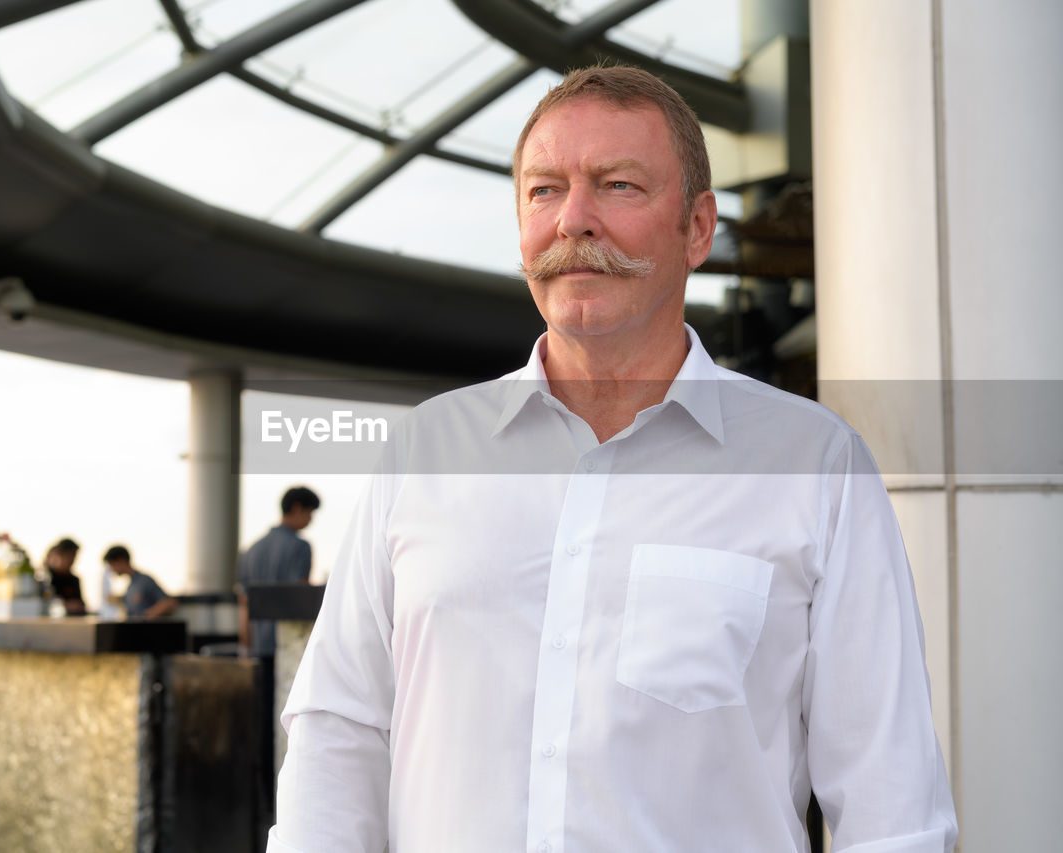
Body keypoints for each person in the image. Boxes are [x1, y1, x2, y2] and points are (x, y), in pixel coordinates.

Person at [269, 66, 958, 853]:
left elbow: (891, 805)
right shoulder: (425, 452)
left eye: (619, 185)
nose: (575, 221)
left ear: (697, 228)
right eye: (544, 190)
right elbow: (340, 731)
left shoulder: (815, 465)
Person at [237, 486, 321, 657]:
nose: (311, 520)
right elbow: (301, 593)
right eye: (310, 513)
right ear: (297, 508)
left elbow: (244, 602)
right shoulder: (300, 546)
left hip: (257, 644)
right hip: (289, 644)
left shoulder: (251, 550)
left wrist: (246, 644)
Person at [102, 545, 177, 621]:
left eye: (112, 565)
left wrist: (145, 617)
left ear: (121, 560)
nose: (112, 569)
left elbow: (169, 603)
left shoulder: (144, 580)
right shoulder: (130, 586)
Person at [42, 537, 86, 615]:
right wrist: (64, 605)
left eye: (74, 557)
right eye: (69, 557)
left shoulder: (74, 579)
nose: (72, 561)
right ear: (59, 555)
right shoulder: (47, 577)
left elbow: (81, 605)